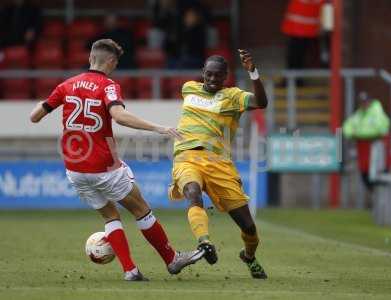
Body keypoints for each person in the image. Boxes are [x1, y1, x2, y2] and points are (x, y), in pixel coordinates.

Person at [29, 39, 203, 281]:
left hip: (74, 168)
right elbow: (119, 116)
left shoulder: (66, 85)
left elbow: (34, 117)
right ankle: (172, 259)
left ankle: (130, 271)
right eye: (115, 63)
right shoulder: (108, 85)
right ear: (111, 62)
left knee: (110, 216)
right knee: (141, 209)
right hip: (103, 166)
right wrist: (158, 128)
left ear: (91, 58)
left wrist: (48, 103)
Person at [168, 49, 268, 279]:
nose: (213, 80)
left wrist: (253, 73)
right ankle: (204, 243)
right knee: (192, 192)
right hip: (187, 156)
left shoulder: (233, 96)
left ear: (226, 76)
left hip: (219, 164)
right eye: (209, 74)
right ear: (202, 72)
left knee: (249, 229)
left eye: (218, 76)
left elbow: (261, 103)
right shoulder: (188, 88)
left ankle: (249, 256)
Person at [343, 92, 391, 206]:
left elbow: (379, 130)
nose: (364, 104)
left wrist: (358, 134)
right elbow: (346, 128)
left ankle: (385, 205)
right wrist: (358, 133)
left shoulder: (377, 112)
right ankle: (379, 204)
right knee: (366, 179)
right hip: (364, 153)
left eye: (366, 101)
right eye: (362, 102)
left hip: (378, 152)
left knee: (379, 178)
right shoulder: (358, 115)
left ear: (370, 101)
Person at [281, 0, 325, 84]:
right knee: (299, 56)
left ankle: (293, 80)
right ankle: (296, 80)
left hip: (297, 27)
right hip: (308, 28)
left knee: (294, 56)